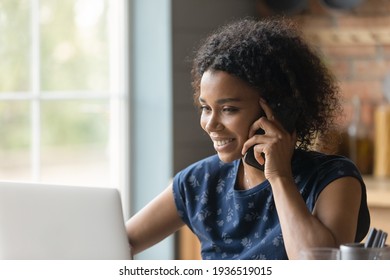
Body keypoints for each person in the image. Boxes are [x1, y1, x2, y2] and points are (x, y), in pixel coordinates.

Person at [125, 17, 370, 260]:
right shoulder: (200, 182)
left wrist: (279, 177)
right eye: (206, 108)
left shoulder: (334, 179)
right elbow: (121, 242)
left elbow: (318, 268)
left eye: (229, 109)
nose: (210, 124)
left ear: (276, 110)